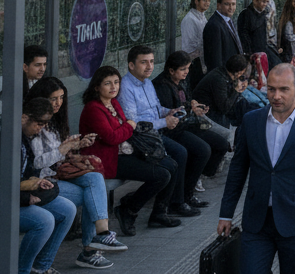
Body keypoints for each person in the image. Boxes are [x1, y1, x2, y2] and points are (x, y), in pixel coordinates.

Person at [218, 65, 295, 274]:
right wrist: (226, 214)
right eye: (271, 89)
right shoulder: (251, 121)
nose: (276, 96)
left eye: (283, 89)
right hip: (257, 221)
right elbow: (237, 170)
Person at [0, 97, 77, 274]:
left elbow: (25, 171)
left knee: (67, 209)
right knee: (44, 221)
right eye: (39, 123)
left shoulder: (22, 135)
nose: (40, 129)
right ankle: (21, 270)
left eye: (44, 124)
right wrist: (25, 194)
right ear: (24, 118)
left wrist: (36, 181)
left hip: (12, 198)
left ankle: (40, 267)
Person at [25, 78, 123, 269]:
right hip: (42, 181)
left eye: (61, 98)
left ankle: (99, 237)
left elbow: (57, 155)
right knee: (93, 194)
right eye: (53, 98)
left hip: (57, 175)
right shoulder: (34, 122)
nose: (58, 103)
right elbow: (35, 163)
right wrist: (62, 150)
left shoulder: (54, 122)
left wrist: (75, 146)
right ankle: (91, 249)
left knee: (95, 179)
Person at [79, 66, 180, 235]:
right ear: (96, 87)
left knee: (172, 165)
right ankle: (128, 210)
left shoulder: (113, 102)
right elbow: (112, 137)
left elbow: (122, 132)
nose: (114, 87)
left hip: (125, 151)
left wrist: (127, 127)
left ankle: (159, 213)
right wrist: (129, 126)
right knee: (162, 175)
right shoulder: (93, 109)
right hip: (107, 160)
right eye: (108, 83)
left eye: (116, 82)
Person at [117, 46, 200, 220]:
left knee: (184, 152)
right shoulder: (126, 87)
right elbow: (134, 124)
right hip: (138, 139)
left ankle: (168, 206)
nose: (149, 66)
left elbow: (155, 108)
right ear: (131, 65)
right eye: (144, 62)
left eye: (152, 62)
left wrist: (169, 112)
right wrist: (164, 122)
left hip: (154, 134)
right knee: (178, 155)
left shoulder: (147, 82)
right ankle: (164, 208)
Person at [155, 51, 231, 184]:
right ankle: (189, 183)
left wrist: (194, 105)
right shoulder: (162, 86)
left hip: (189, 122)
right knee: (203, 149)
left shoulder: (182, 80)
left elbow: (187, 99)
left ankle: (198, 175)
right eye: (183, 69)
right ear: (171, 70)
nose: (187, 72)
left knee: (223, 143)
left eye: (188, 68)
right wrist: (191, 111)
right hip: (174, 129)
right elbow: (172, 113)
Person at [193, 53, 252, 128]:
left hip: (215, 110)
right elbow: (225, 108)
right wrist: (236, 90)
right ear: (238, 72)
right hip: (207, 113)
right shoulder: (219, 80)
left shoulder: (223, 73)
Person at [202, 0, 245, 74]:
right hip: (223, 74)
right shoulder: (214, 25)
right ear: (219, 5)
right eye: (227, 4)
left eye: (233, 4)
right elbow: (214, 59)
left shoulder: (228, 20)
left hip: (233, 72)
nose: (231, 7)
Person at [239, 0, 281, 66]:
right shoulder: (245, 14)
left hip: (263, 51)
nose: (265, 4)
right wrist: (249, 55)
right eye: (263, 1)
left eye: (267, 1)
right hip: (253, 55)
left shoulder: (263, 13)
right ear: (255, 0)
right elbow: (244, 36)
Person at [180, 0, 212, 88]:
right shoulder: (189, 19)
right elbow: (190, 45)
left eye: (209, 0)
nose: (207, 3)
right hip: (194, 62)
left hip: (203, 60)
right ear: (196, 1)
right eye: (204, 0)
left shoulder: (202, 17)